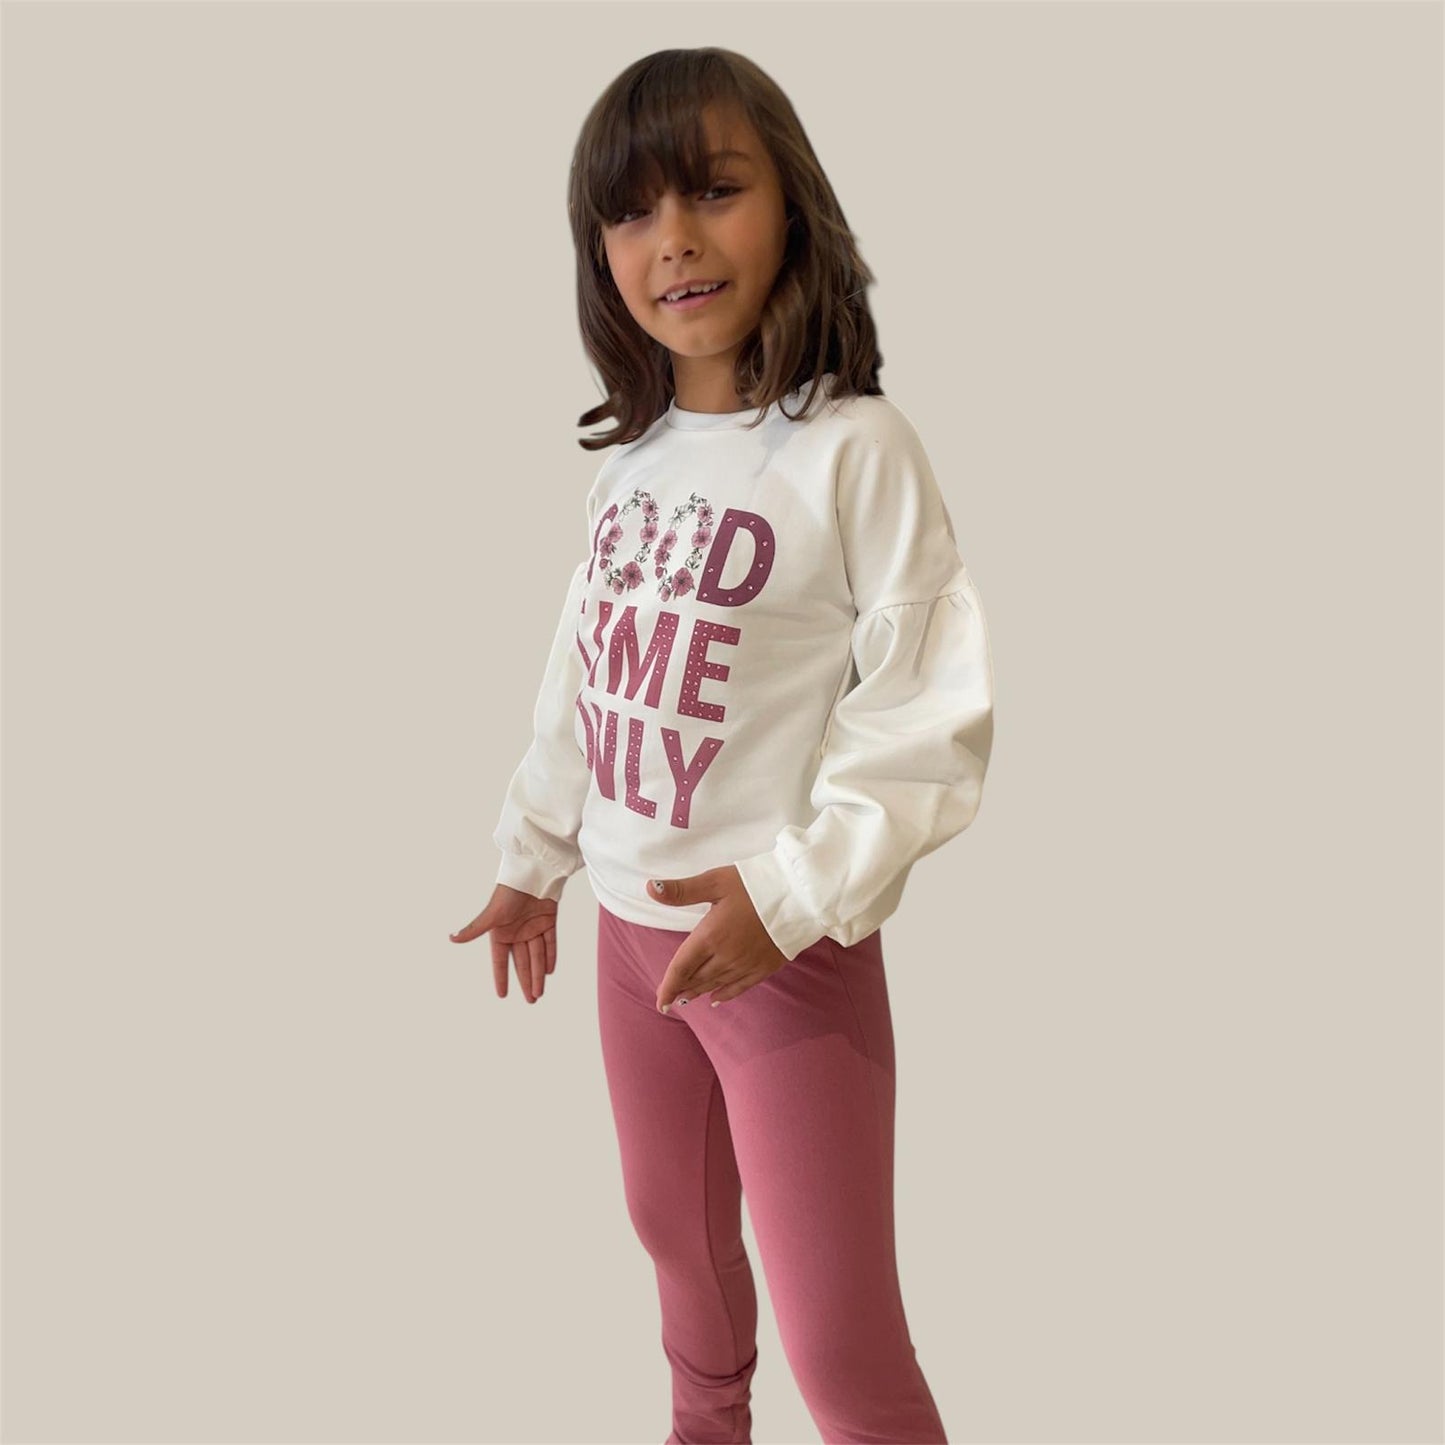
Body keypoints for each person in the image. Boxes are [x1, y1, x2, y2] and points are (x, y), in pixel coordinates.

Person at [450, 47, 995, 1445]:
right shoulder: (629, 469)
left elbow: (924, 718)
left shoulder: (856, 450)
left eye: (714, 190)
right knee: (676, 1246)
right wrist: (532, 854)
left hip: (782, 960)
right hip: (631, 948)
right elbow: (584, 675)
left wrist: (790, 897)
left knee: (838, 1340)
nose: (675, 237)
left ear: (791, 205)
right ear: (599, 255)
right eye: (631, 211)